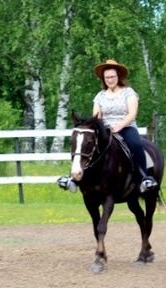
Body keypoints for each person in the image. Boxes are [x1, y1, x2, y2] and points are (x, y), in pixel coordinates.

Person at [58, 59, 157, 194]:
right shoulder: (100, 96)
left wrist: (120, 125)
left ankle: (144, 178)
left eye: (112, 77)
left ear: (118, 77)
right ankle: (75, 179)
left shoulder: (128, 92)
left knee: (135, 144)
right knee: (86, 147)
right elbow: (96, 116)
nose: (110, 80)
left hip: (126, 127)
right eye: (107, 78)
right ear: (103, 79)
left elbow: (132, 114)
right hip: (105, 130)